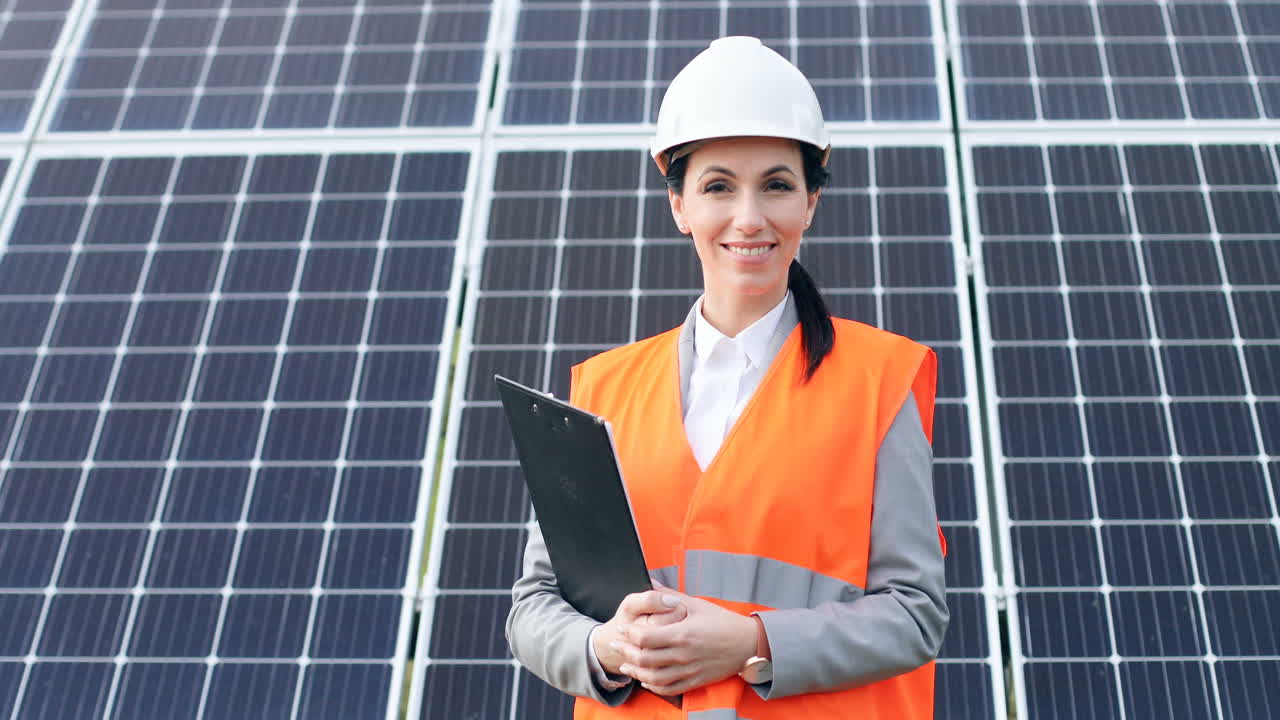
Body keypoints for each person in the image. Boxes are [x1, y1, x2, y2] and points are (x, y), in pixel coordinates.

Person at [505, 36, 948, 719]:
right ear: (679, 206)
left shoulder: (878, 382)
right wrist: (605, 647)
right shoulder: (602, 392)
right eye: (718, 186)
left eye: (776, 184)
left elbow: (916, 614)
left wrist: (753, 642)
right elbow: (535, 607)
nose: (749, 218)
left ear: (810, 203)